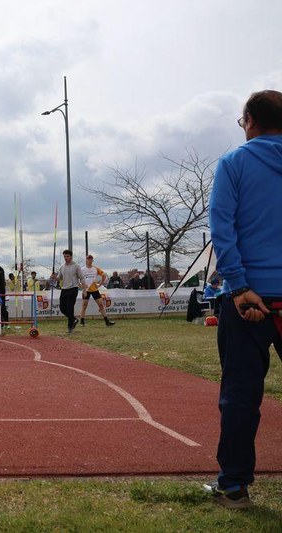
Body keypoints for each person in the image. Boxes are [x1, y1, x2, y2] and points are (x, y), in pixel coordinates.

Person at [205, 89, 282, 509]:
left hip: (248, 298)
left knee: (240, 394)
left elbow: (223, 227)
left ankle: (233, 487)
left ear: (250, 119)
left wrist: (236, 285)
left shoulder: (234, 162)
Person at [52, 250, 84, 334]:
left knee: (70, 308)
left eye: (67, 256)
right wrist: (55, 277)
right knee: (62, 309)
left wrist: (84, 289)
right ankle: (74, 319)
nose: (66, 258)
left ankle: (70, 328)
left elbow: (82, 277)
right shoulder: (62, 267)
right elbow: (59, 278)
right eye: (65, 256)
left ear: (71, 256)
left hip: (73, 289)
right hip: (64, 289)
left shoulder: (76, 266)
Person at [79, 255, 115, 327]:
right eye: (88, 259)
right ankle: (82, 322)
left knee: (101, 305)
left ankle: (107, 321)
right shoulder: (82, 269)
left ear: (92, 260)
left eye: (91, 259)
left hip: (95, 289)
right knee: (84, 306)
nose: (90, 260)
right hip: (86, 290)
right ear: (86, 260)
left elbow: (104, 275)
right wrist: (81, 287)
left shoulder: (95, 268)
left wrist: (100, 284)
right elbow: (77, 278)